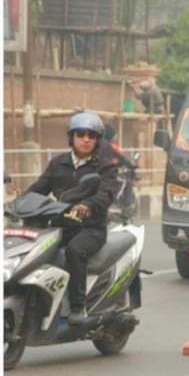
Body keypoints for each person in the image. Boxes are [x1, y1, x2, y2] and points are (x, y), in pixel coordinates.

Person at [26, 112, 119, 325]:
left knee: (74, 251)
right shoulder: (58, 163)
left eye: (92, 135)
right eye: (81, 134)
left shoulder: (104, 166)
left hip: (91, 228)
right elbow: (38, 189)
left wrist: (87, 206)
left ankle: (78, 307)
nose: (86, 139)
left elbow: (106, 193)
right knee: (33, 250)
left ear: (97, 140)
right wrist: (17, 205)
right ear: (72, 137)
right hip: (60, 225)